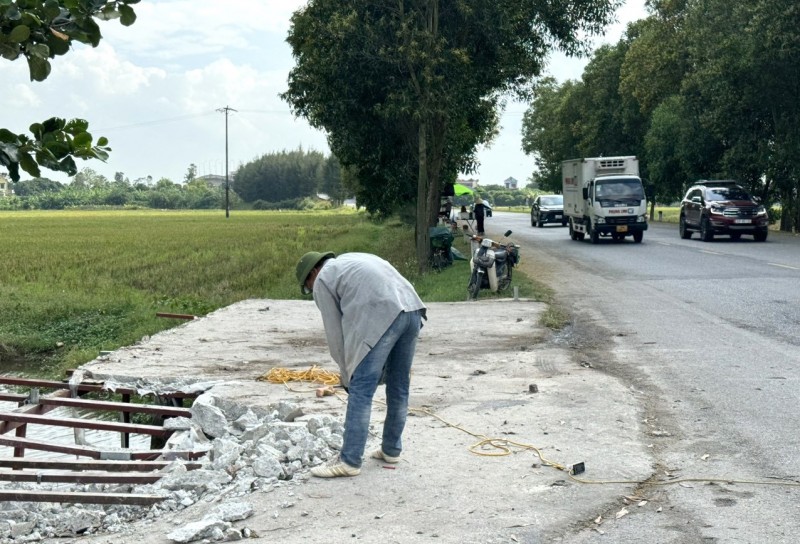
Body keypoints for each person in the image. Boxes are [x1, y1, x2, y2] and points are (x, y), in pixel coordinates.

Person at [295, 251, 427, 478]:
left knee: (361, 390)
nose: (312, 291)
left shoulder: (323, 280)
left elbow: (335, 335)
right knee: (399, 384)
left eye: (308, 286)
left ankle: (350, 460)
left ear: (312, 273)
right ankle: (391, 449)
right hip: (412, 309)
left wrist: (347, 375)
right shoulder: (351, 259)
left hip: (385, 315)